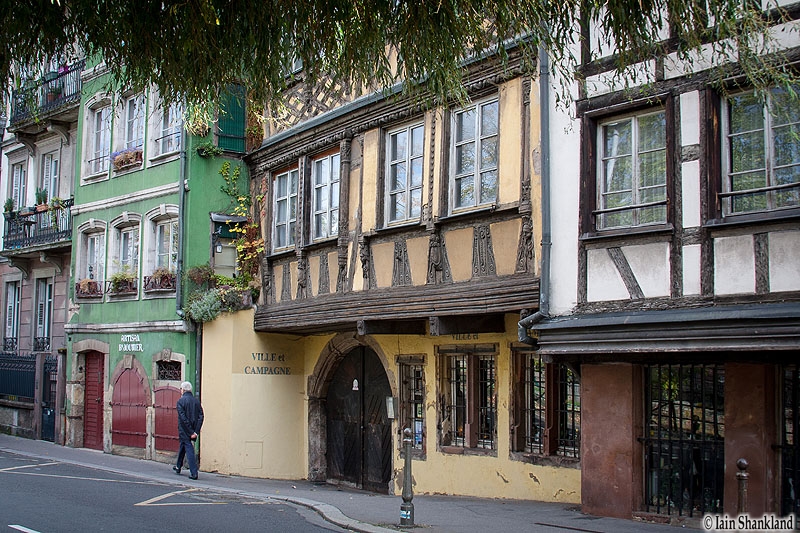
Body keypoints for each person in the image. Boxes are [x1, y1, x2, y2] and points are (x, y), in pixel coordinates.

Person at [173, 381, 204, 480]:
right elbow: (201, 416)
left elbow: (183, 418)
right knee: (183, 446)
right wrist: (196, 431)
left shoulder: (180, 402)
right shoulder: (196, 401)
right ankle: (178, 466)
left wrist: (191, 432)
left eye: (181, 389)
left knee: (188, 448)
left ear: (183, 390)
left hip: (184, 430)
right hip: (193, 430)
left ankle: (194, 472)